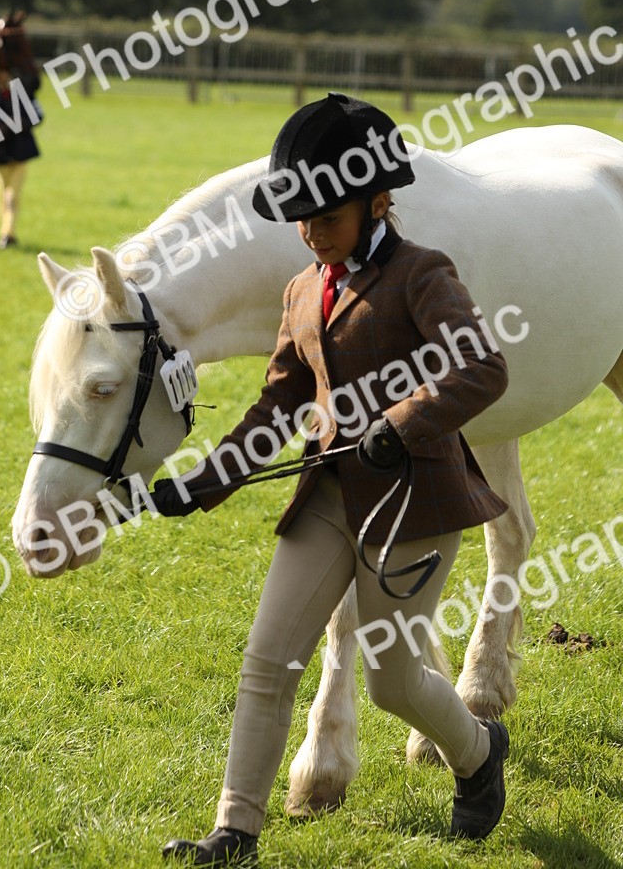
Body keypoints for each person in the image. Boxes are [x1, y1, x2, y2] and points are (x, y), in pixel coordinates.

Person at [150, 93, 512, 866]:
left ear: (380, 201)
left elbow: (484, 367)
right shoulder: (302, 289)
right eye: (302, 220)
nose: (311, 233)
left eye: (328, 217)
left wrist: (401, 422)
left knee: (391, 683)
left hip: (416, 505)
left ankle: (480, 755)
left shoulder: (424, 274)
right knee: (268, 658)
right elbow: (279, 400)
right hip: (329, 500)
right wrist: (206, 480)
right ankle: (235, 831)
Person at [0, 68, 43, 249]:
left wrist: (22, 122)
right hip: (0, 153)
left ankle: (8, 235)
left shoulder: (21, 91)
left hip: (21, 151)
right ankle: (4, 233)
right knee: (3, 195)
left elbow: (38, 114)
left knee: (12, 196)